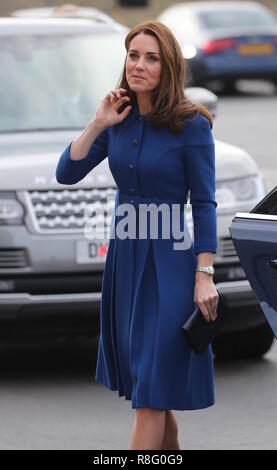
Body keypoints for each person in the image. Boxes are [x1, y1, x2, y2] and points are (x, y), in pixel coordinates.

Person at [56, 20, 219, 450]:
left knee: (150, 395)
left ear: (168, 67)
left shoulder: (192, 125)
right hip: (125, 264)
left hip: (171, 267)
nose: (139, 65)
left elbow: (204, 205)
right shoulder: (118, 120)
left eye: (151, 58)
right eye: (133, 55)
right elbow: (66, 173)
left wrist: (205, 274)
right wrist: (97, 122)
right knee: (155, 393)